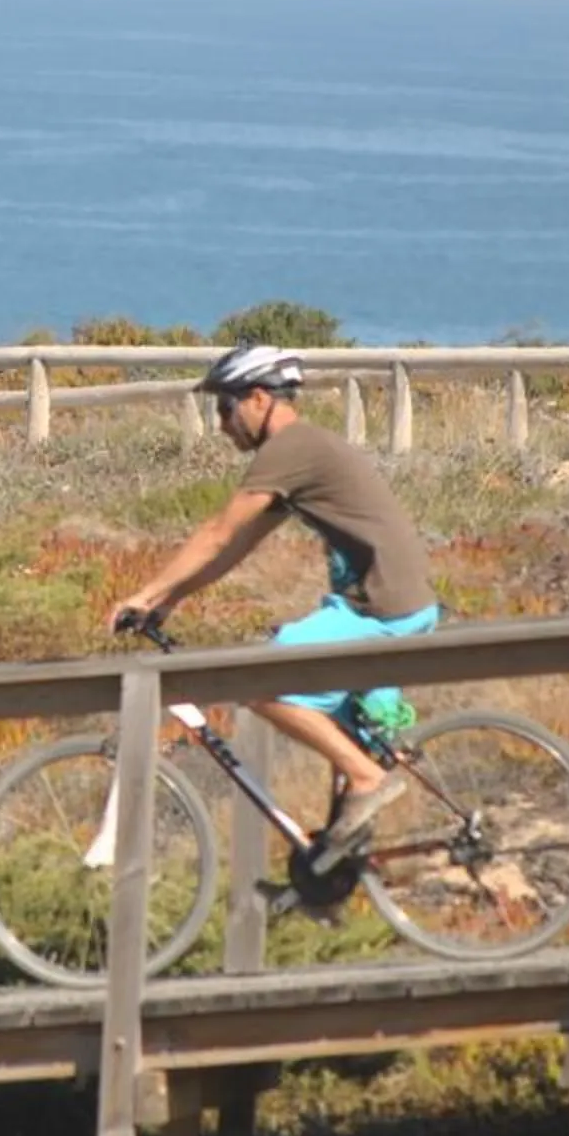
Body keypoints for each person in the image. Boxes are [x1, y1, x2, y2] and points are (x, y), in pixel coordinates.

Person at [109, 340, 440, 840]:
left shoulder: (291, 449)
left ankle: (368, 778)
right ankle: (341, 864)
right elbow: (235, 548)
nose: (221, 422)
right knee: (352, 733)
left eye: (226, 406)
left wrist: (143, 594)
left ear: (260, 398)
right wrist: (171, 599)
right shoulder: (301, 454)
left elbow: (217, 532)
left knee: (257, 682)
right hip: (389, 603)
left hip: (380, 609)